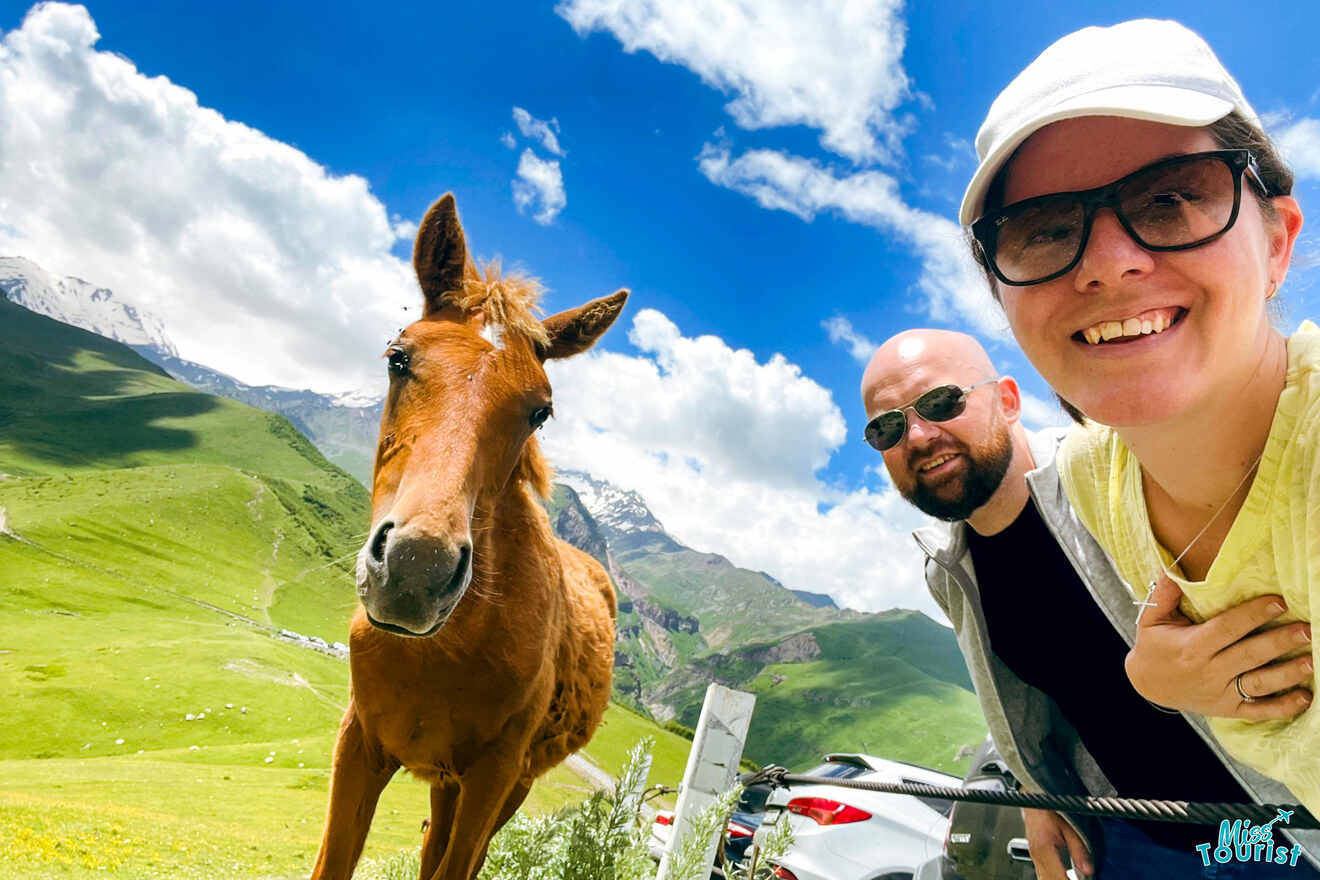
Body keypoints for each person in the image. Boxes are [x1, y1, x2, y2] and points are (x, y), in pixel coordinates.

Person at [961, 16, 1319, 829]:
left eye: (1170, 198)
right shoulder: (1095, 474)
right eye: (1045, 228)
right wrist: (1152, 680)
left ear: (1278, 241)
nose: (1108, 260)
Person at [860, 328, 1319, 878]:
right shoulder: (950, 572)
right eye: (886, 427)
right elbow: (1035, 704)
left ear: (1008, 400)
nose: (916, 435)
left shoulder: (1117, 469)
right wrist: (1034, 792)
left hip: (1272, 823)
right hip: (1131, 837)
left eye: (941, 402)